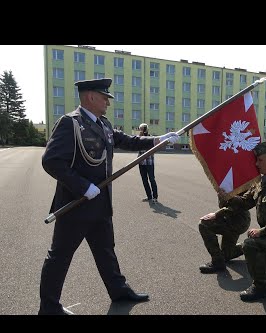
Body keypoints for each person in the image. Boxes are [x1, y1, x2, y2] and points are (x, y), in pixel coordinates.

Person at [39, 78, 179, 315]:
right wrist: (83, 186)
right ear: (90, 96)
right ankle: (49, 308)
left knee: (106, 250)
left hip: (101, 203)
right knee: (59, 257)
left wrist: (158, 139)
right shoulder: (70, 123)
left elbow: (127, 140)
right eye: (104, 97)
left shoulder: (102, 124)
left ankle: (119, 290)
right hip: (76, 204)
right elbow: (51, 161)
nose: (108, 103)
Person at [217, 140, 266, 302]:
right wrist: (228, 197)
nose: (256, 163)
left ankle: (260, 287)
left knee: (250, 244)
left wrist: (262, 231)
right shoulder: (260, 183)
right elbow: (246, 202)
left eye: (260, 160)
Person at [197, 191, 251, 273]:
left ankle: (217, 262)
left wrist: (216, 214)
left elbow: (238, 206)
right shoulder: (225, 183)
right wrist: (222, 196)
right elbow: (223, 205)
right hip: (229, 219)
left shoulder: (242, 184)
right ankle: (249, 245)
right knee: (227, 255)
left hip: (239, 222)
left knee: (204, 224)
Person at [137, 123, 159, 203]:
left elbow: (149, 149)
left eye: (142, 129)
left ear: (146, 129)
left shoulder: (150, 138)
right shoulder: (139, 138)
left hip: (149, 162)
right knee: (144, 180)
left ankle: (155, 197)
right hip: (141, 163)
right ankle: (149, 196)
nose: (141, 130)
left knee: (152, 179)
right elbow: (137, 148)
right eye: (140, 129)